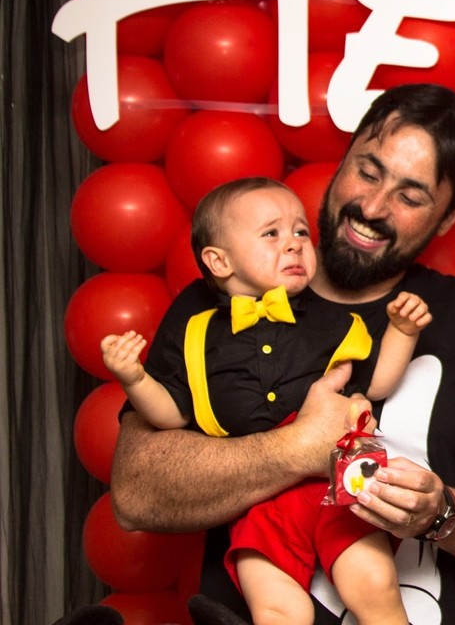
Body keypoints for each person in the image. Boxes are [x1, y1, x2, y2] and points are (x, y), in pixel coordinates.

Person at [108, 84, 455, 625]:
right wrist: (298, 447)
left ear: (447, 219)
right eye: (367, 172)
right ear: (342, 161)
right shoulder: (220, 303)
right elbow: (135, 493)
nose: (372, 207)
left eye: (411, 197)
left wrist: (440, 511)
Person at [102, 176, 432, 625]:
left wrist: (402, 331)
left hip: (336, 483)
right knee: (278, 611)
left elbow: (376, 385)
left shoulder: (333, 321)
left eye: (301, 231)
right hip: (256, 503)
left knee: (374, 585)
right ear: (219, 261)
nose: (294, 243)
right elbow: (170, 414)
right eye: (271, 233)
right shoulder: (196, 332)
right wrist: (134, 378)